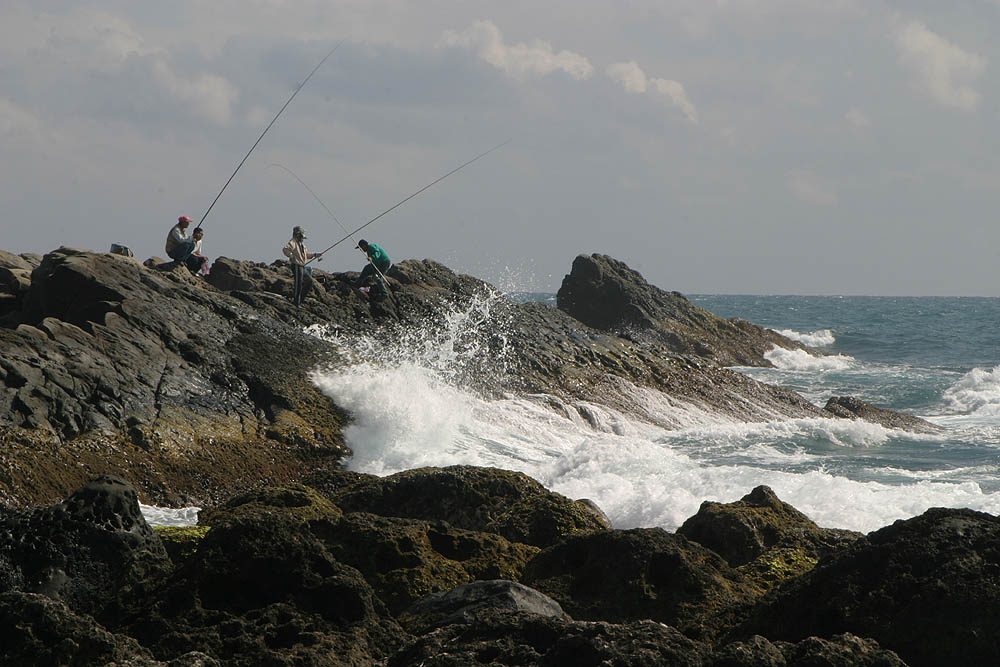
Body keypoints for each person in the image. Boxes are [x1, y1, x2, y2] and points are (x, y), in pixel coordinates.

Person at [283, 226, 322, 305]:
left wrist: (315, 255)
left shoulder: (302, 245)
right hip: (296, 265)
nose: (302, 238)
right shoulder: (293, 242)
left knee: (309, 281)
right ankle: (296, 302)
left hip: (302, 266)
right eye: (301, 235)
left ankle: (300, 300)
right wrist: (291, 256)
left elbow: (306, 255)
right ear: (297, 235)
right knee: (298, 284)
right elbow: (285, 249)